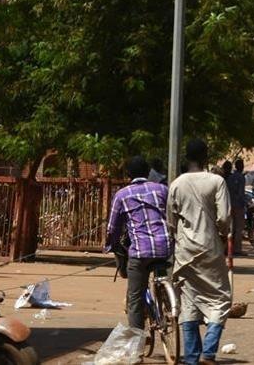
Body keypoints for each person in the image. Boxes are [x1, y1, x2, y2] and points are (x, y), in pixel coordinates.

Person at [167, 139, 232, 365]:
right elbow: (224, 218)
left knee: (189, 302)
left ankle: (192, 358)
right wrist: (222, 233)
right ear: (206, 157)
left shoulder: (176, 184)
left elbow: (171, 221)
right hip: (210, 247)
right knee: (220, 299)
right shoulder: (217, 181)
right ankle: (209, 351)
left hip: (184, 249)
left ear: (187, 157)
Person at [105, 155, 172, 331]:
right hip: (165, 247)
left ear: (129, 174)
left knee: (134, 298)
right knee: (160, 269)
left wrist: (112, 246)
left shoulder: (122, 195)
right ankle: (166, 301)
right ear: (148, 172)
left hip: (140, 252)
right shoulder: (162, 190)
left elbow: (112, 228)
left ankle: (137, 346)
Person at [224, 158, 246, 255]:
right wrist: (244, 204)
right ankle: (237, 249)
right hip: (238, 206)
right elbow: (241, 193)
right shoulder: (241, 177)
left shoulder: (230, 178)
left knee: (230, 228)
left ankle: (227, 248)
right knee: (238, 228)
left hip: (229, 205)